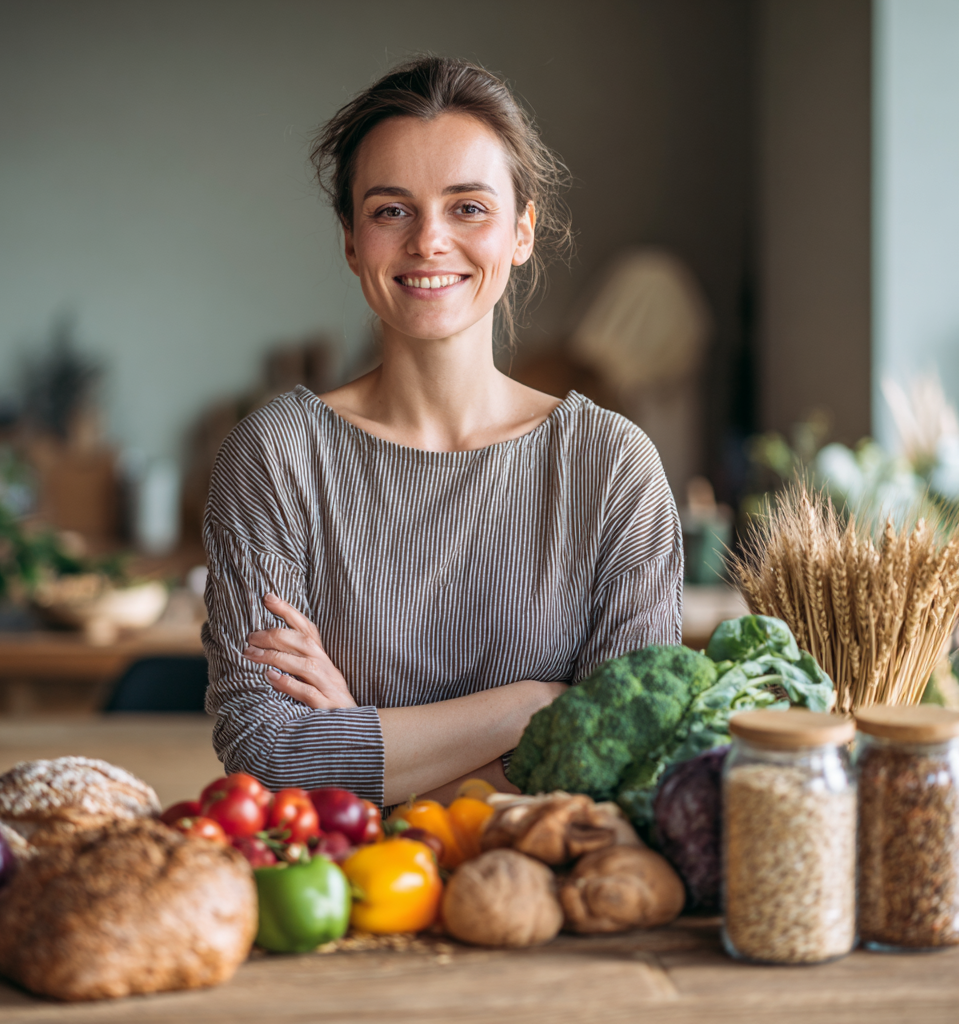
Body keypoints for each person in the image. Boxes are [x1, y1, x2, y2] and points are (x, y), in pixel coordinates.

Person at [203, 56, 682, 808]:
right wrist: (532, 707)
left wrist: (359, 734)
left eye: (468, 207)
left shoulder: (611, 467)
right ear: (352, 240)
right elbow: (267, 755)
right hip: (347, 906)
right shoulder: (276, 457)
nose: (429, 241)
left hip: (551, 907)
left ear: (521, 232)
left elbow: (631, 761)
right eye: (392, 210)